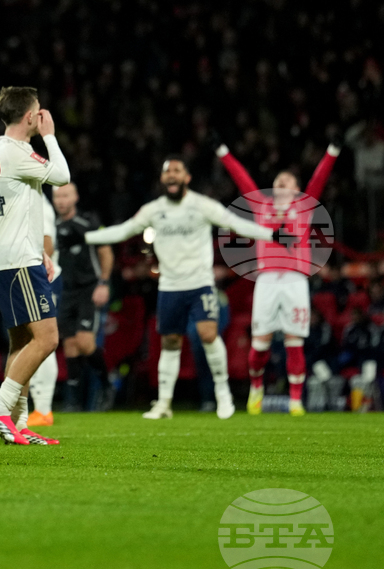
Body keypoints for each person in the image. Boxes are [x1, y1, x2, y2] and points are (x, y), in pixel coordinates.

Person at [85, 157, 276, 419]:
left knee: (208, 335)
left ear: (187, 177)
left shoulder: (202, 205)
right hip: (170, 287)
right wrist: (85, 237)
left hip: (200, 284)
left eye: (177, 170)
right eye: (168, 171)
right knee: (170, 341)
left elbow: (236, 223)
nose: (172, 175)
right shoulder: (154, 210)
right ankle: (164, 403)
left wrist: (272, 235)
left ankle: (223, 394)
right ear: (163, 179)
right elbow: (124, 231)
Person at [213, 133, 339, 416]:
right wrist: (222, 151)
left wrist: (333, 150)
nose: (281, 182)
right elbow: (241, 178)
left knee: (294, 341)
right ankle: (256, 387)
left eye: (288, 180)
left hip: (295, 279)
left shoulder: (305, 205)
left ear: (297, 189)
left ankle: (295, 400)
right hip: (267, 279)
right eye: (278, 180)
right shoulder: (262, 206)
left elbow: (320, 177)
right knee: (260, 344)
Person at [0, 86, 69, 445]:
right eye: (39, 111)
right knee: (47, 338)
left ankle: (17, 422)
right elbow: (62, 176)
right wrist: (50, 137)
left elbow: (20, 210)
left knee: (20, 343)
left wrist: (40, 251)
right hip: (19, 261)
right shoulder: (15, 153)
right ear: (31, 116)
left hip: (11, 257)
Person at [51, 182, 114, 412]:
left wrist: (103, 283)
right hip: (65, 290)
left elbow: (105, 252)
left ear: (75, 197)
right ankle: (73, 402)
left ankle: (107, 385)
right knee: (69, 345)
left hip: (89, 288)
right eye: (58, 196)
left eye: (66, 195)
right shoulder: (51, 225)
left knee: (85, 343)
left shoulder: (88, 222)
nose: (61, 201)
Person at [25, 196, 61, 427]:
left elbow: (47, 243)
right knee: (31, 340)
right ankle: (37, 407)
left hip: (42, 278)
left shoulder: (37, 202)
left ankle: (43, 408)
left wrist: (35, 275)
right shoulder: (28, 197)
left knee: (43, 339)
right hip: (31, 277)